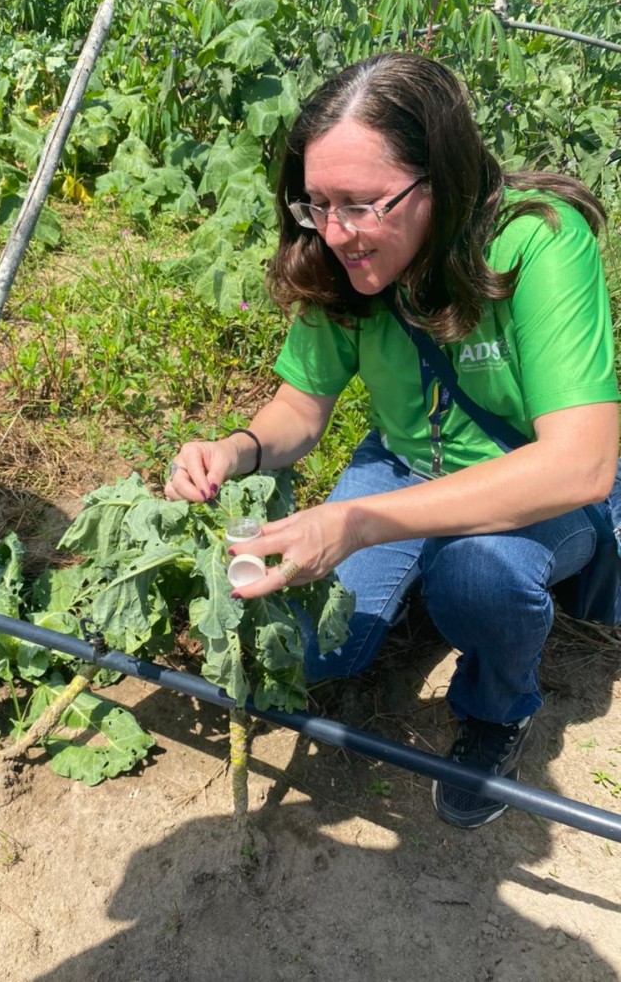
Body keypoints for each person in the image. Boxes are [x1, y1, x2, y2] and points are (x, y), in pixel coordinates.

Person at [164, 52, 620, 830]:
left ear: (439, 178)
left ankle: (495, 710)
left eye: (362, 205)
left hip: (532, 484)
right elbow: (298, 411)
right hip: (406, 463)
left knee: (477, 575)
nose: (337, 233)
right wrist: (235, 448)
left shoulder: (538, 243)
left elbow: (579, 462)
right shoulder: (344, 261)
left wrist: (362, 523)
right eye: (316, 206)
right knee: (313, 652)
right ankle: (416, 598)